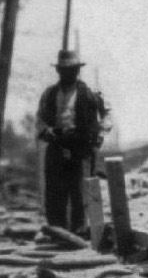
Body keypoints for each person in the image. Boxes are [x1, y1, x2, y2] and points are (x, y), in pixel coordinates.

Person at [36, 48, 109, 236]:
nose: (69, 73)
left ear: (78, 70)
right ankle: (57, 232)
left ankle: (79, 233)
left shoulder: (90, 93)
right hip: (57, 145)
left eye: (72, 69)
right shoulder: (49, 94)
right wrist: (46, 131)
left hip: (81, 147)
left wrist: (100, 134)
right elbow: (40, 119)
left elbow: (107, 113)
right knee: (55, 192)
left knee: (80, 191)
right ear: (58, 71)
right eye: (64, 70)